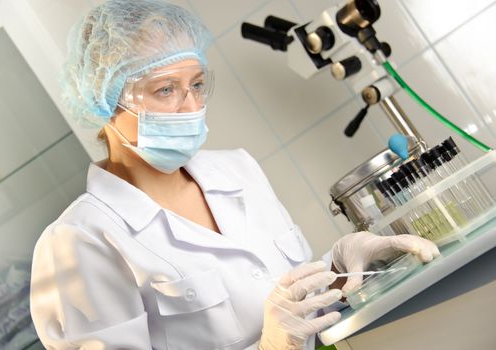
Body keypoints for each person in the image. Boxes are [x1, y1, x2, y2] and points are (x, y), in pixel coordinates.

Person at [29, 1, 440, 349]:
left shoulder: (237, 169)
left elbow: (282, 304)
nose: (190, 107)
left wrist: (339, 271)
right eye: (165, 90)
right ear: (105, 99)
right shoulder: (78, 241)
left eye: (196, 84)